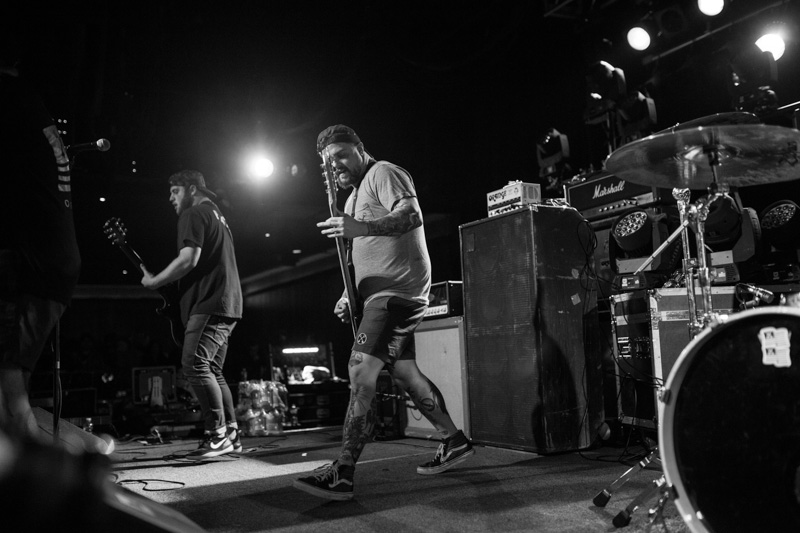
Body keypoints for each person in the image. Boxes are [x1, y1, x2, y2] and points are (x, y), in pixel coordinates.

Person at [294, 125, 474, 501]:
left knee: (360, 371)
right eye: (328, 162)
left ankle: (343, 471)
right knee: (406, 373)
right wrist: (348, 295)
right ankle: (454, 440)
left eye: (342, 155)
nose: (335, 165)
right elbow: (359, 255)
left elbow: (411, 215)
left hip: (396, 294)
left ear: (360, 149)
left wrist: (361, 226)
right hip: (378, 296)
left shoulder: (383, 173)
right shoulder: (349, 200)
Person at [0, 40, 81, 442]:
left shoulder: (7, 97)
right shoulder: (27, 102)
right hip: (49, 259)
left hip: (29, 263)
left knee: (7, 381)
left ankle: (37, 469)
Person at [140, 170, 243, 459]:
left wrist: (154, 281)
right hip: (228, 303)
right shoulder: (218, 216)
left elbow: (188, 259)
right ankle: (231, 434)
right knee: (213, 371)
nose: (170, 198)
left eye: (175, 191)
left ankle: (217, 435)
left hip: (209, 303)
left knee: (194, 365)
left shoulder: (194, 213)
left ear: (192, 189)